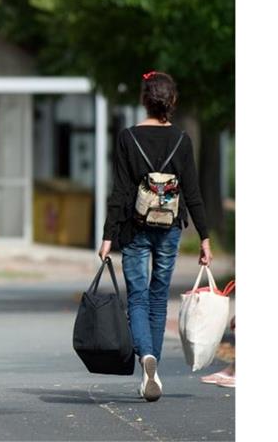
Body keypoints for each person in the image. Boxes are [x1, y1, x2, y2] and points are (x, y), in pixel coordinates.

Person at [98, 71, 212, 402]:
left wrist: (108, 235)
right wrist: (204, 237)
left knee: (137, 297)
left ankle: (145, 356)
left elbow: (119, 191)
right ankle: (155, 368)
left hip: (134, 228)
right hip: (170, 229)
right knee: (159, 297)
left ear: (143, 100)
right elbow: (192, 192)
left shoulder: (128, 138)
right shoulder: (182, 139)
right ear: (172, 101)